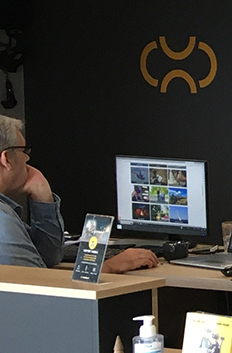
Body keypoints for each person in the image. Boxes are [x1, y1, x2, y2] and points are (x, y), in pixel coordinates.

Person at [0, 116, 158, 272]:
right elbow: (37, 285)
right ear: (6, 159)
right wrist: (110, 266)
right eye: (23, 151)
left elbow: (49, 257)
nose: (27, 157)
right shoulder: (3, 221)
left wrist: (43, 198)